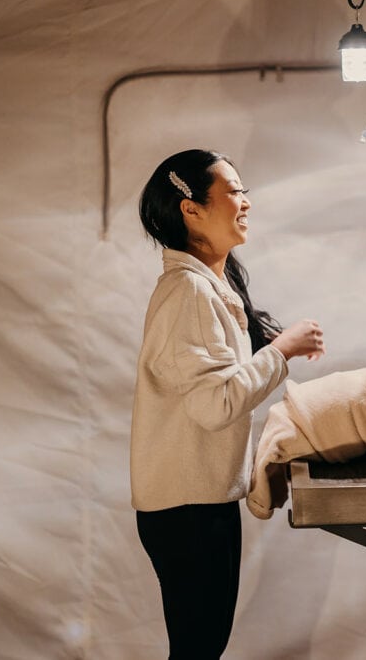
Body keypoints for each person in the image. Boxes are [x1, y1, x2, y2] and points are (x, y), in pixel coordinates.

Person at [130, 149, 324, 659]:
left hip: (197, 505)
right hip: (187, 512)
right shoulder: (188, 292)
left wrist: (275, 346)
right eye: (234, 191)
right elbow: (215, 405)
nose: (246, 202)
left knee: (200, 649)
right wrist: (282, 351)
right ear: (191, 209)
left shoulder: (207, 286)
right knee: (198, 650)